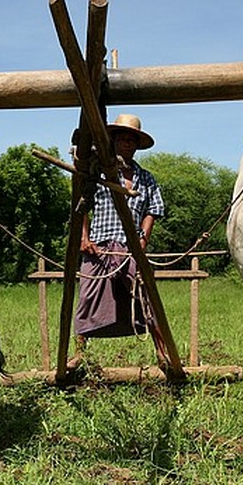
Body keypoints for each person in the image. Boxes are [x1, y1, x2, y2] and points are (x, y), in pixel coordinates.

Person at [73, 113, 168, 367]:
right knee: (87, 296)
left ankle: (163, 352)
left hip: (130, 248)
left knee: (146, 295)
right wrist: (84, 237)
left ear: (136, 145)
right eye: (122, 139)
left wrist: (143, 240)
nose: (126, 144)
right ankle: (79, 355)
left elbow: (153, 210)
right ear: (113, 141)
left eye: (131, 140)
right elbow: (82, 205)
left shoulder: (146, 178)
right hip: (99, 245)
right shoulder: (98, 172)